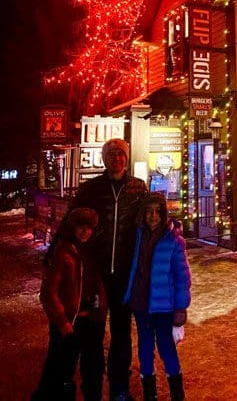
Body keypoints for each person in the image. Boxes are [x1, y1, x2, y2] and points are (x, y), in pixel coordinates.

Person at [48, 138, 148, 401]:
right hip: (96, 274)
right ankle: (91, 387)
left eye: (121, 153)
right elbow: (72, 218)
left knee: (122, 333)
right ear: (104, 159)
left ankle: (119, 388)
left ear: (127, 157)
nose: (116, 158)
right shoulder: (92, 188)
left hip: (125, 274)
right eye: (111, 154)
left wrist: (168, 234)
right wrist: (54, 250)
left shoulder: (138, 188)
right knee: (92, 333)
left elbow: (151, 221)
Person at [32, 207, 107, 401]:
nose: (85, 232)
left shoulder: (92, 253)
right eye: (81, 227)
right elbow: (49, 293)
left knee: (92, 369)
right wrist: (63, 323)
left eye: (89, 228)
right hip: (69, 323)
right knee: (62, 371)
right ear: (72, 228)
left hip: (90, 321)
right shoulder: (63, 254)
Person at [123, 192, 191, 401]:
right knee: (144, 348)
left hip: (164, 307)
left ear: (163, 214)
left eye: (157, 211)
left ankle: (177, 394)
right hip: (141, 303)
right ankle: (149, 393)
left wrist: (180, 310)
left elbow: (182, 277)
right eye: (149, 211)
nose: (153, 216)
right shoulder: (137, 237)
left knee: (166, 348)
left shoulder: (174, 240)